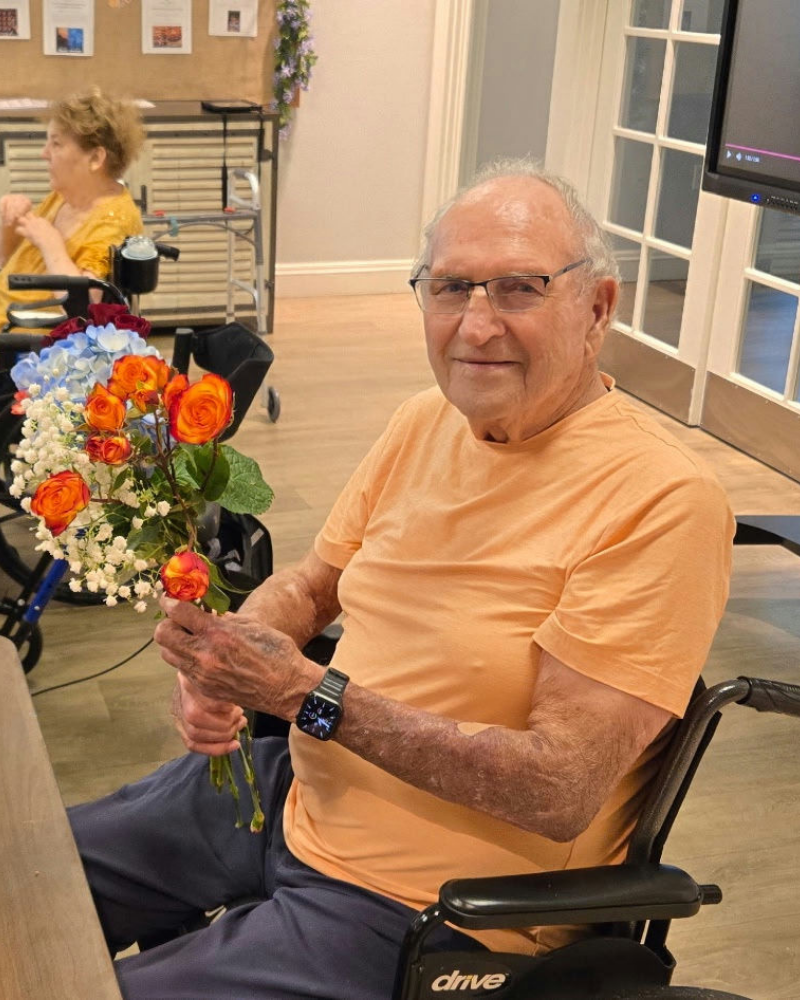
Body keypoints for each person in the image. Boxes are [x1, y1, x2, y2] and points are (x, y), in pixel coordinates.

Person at [69, 160, 734, 1000]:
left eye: (519, 289)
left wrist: (307, 694)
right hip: (292, 792)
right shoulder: (425, 421)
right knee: (28, 884)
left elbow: (559, 787)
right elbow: (312, 587)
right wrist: (231, 659)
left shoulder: (661, 499)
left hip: (425, 909)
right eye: (451, 288)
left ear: (597, 307)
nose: (476, 326)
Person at [0, 87, 144, 325]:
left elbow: (83, 310)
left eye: (56, 144)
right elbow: (5, 260)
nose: (44, 154)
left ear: (96, 158)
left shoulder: (113, 220)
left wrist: (51, 244)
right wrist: (9, 219)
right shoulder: (63, 197)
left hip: (29, 343)